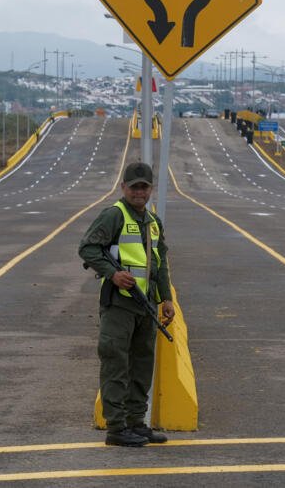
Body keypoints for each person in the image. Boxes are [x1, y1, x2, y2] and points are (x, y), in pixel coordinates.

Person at [79, 162, 175, 447]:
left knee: (142, 367)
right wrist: (113, 274)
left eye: (144, 187)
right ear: (124, 188)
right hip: (119, 306)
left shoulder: (153, 222)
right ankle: (117, 428)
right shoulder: (114, 215)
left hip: (145, 307)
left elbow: (159, 264)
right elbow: (87, 248)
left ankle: (136, 423)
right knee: (116, 364)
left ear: (150, 189)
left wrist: (165, 298)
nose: (139, 192)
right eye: (134, 187)